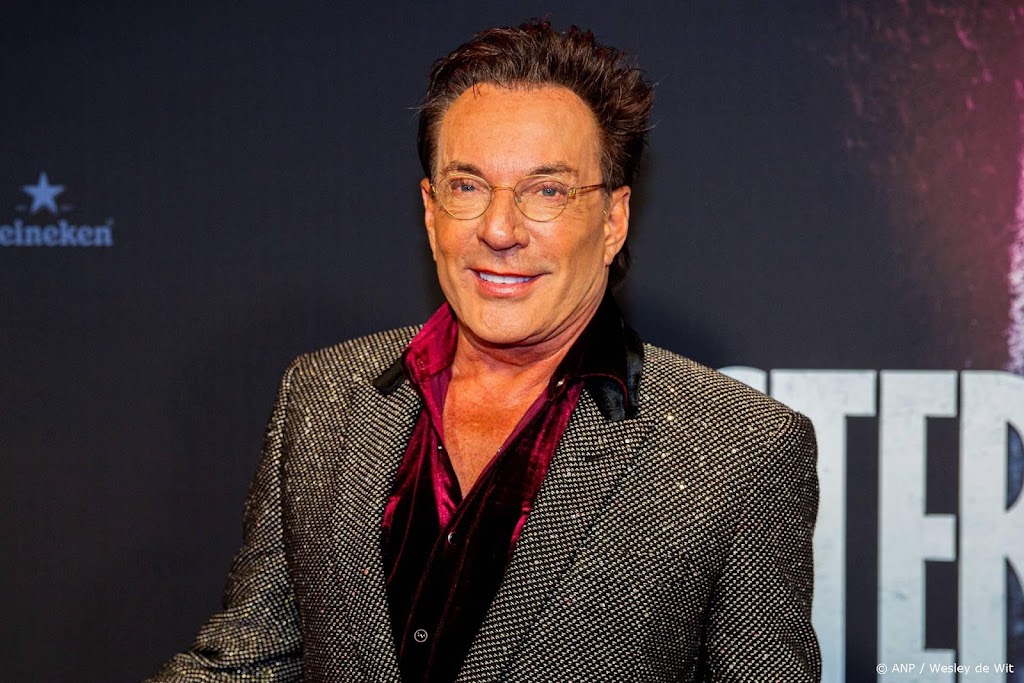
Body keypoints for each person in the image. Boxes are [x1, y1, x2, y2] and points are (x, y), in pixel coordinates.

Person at [149, 21, 821, 682]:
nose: (499, 230)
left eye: (547, 191)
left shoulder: (740, 448)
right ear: (430, 208)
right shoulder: (324, 394)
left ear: (613, 220)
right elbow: (249, 661)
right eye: (467, 186)